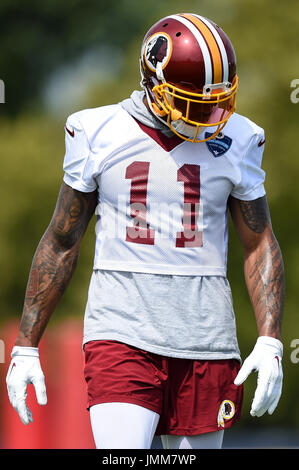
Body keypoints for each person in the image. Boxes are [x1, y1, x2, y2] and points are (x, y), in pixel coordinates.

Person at [6, 13, 285, 450]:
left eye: (215, 100)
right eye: (190, 100)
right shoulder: (97, 131)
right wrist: (26, 344)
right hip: (122, 333)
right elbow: (62, 240)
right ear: (153, 83)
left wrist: (269, 340)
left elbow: (259, 241)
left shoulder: (241, 138)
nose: (207, 115)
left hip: (206, 339)